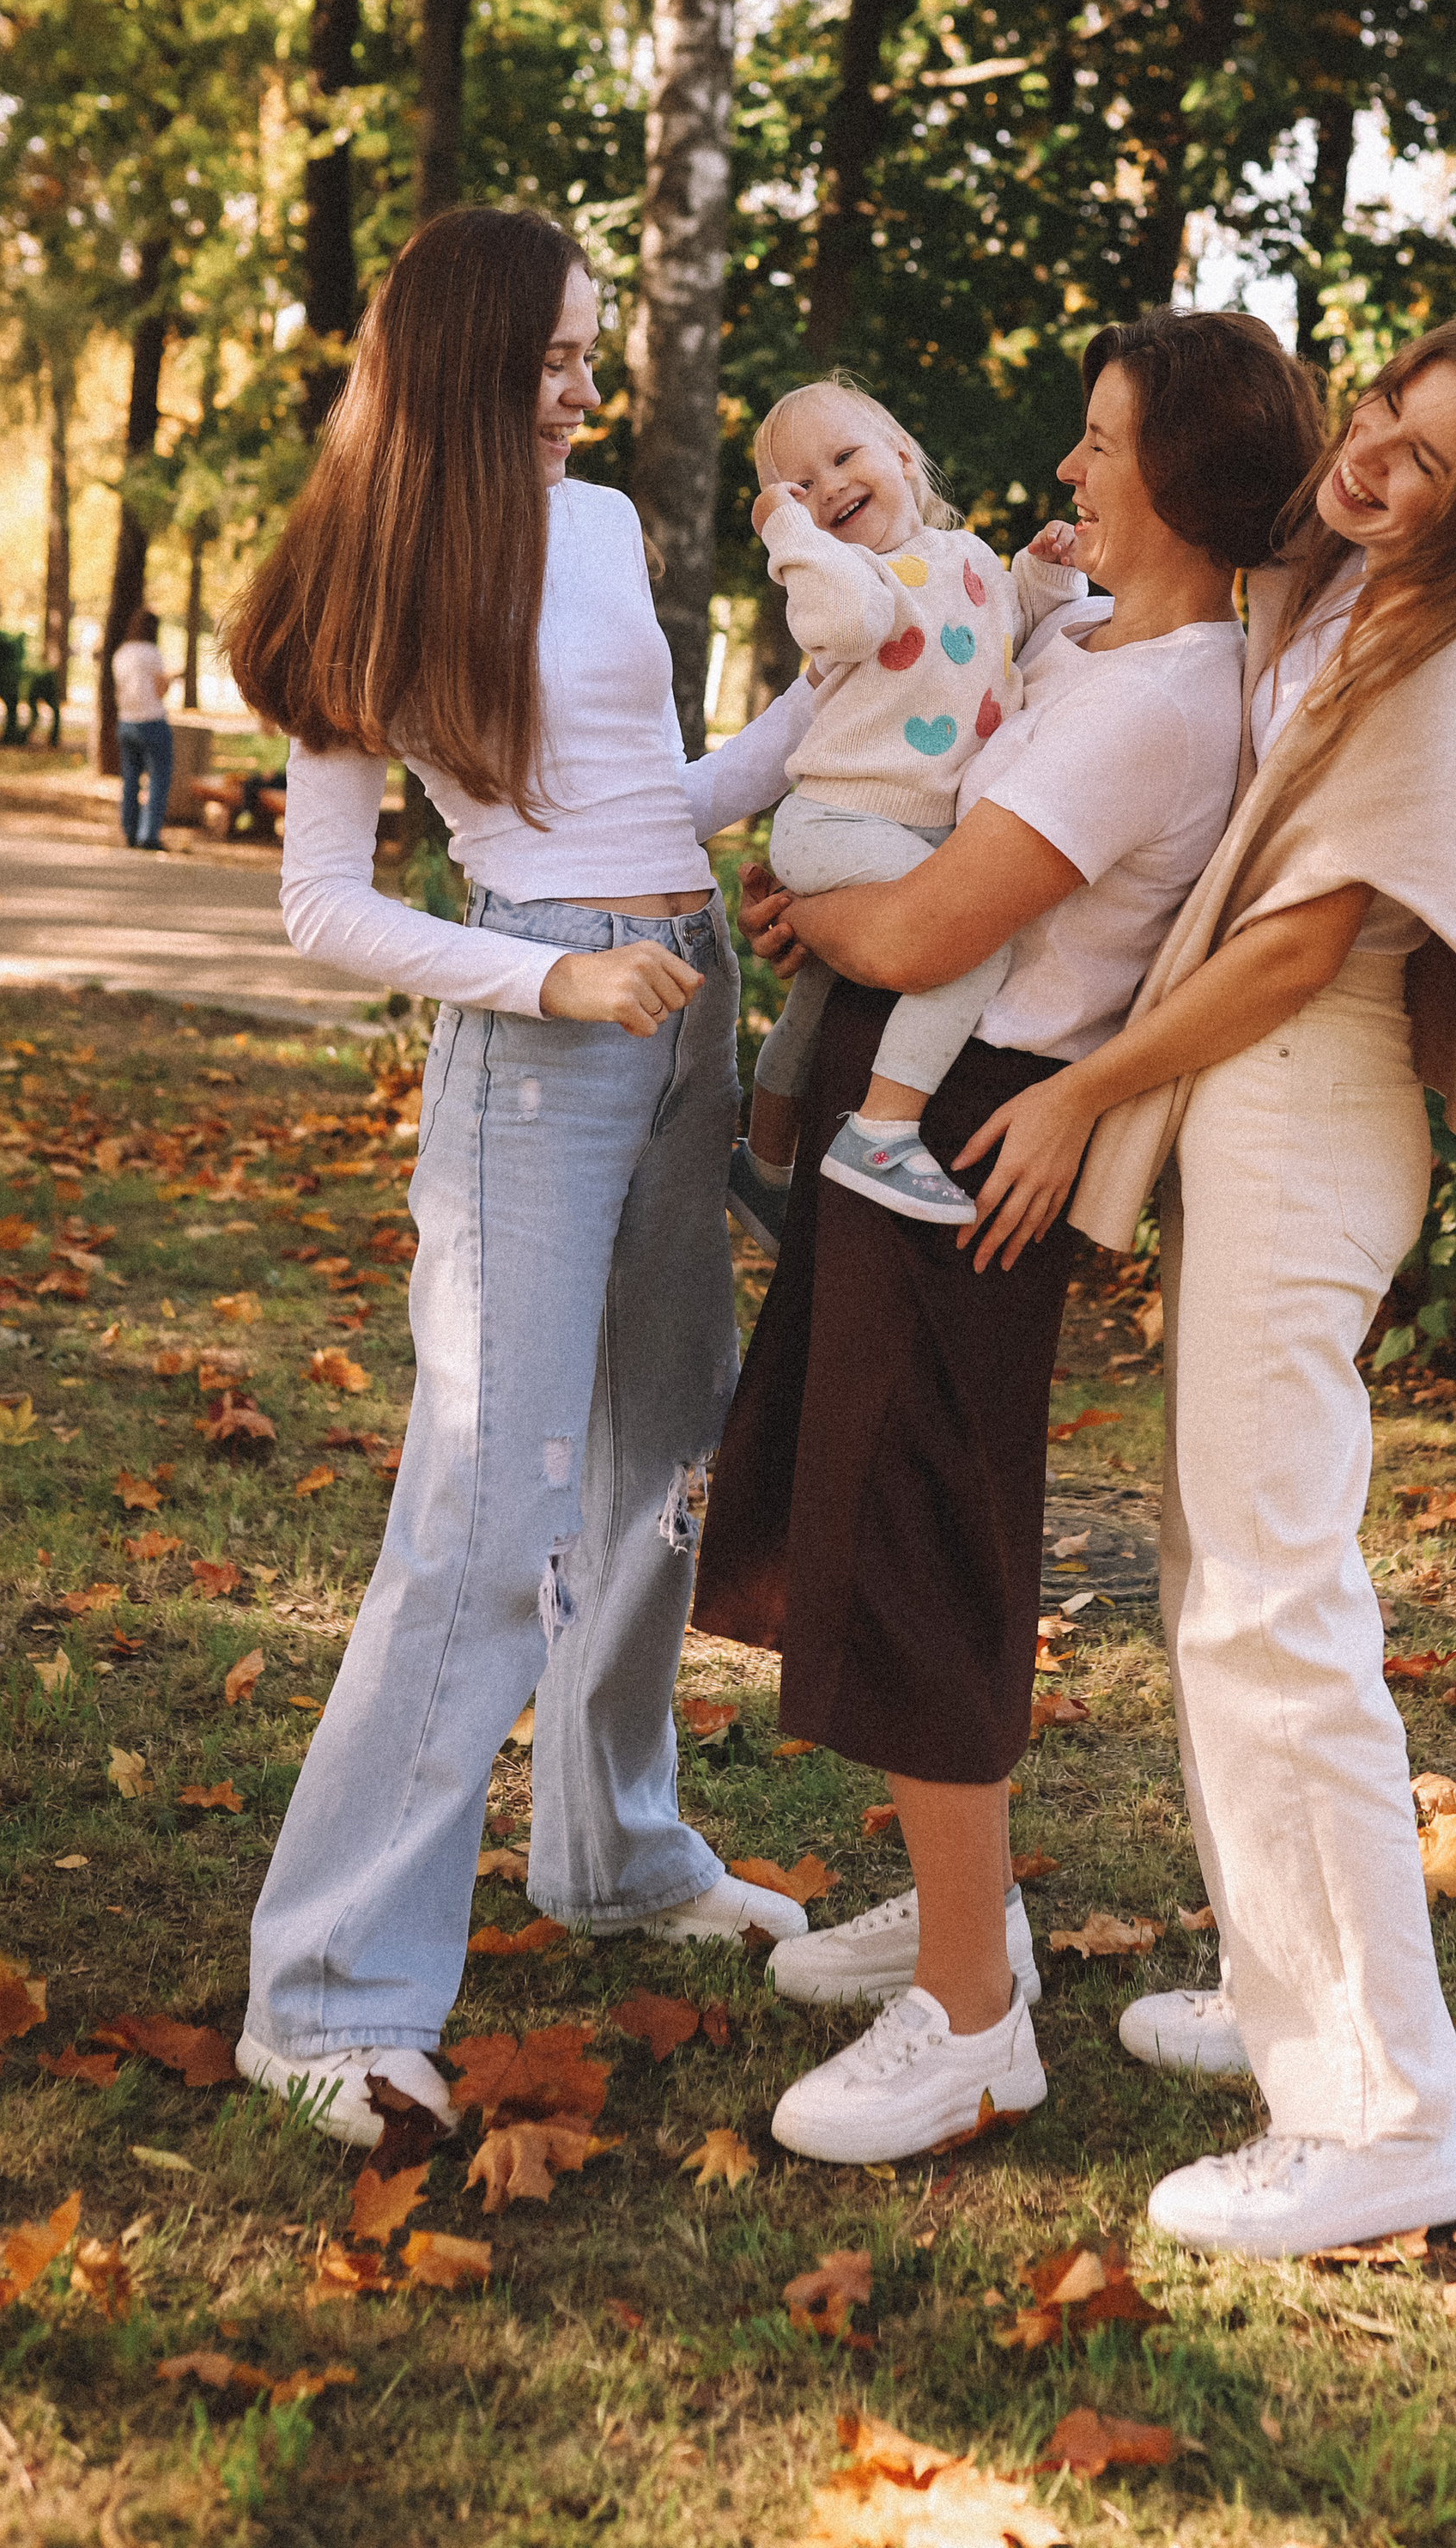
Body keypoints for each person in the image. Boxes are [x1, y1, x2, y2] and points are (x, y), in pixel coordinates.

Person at [953, 307, 1456, 2255]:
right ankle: (1283, 1993)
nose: (1372, 463)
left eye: (1428, 463)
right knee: (1212, 1571)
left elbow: (1289, 947)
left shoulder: (1445, 656)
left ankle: (1372, 2117)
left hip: (1303, 1101)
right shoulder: (1341, 600)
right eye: (1378, 420)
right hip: (1252, 1111)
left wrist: (1082, 1086)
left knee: (1273, 1599)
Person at [693, 310, 1324, 2162]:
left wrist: (839, 903)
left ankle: (971, 2018)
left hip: (972, 1138)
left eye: (1102, 445)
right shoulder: (1100, 642)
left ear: (1189, 484)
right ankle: (968, 1917)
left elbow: (922, 926)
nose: (1066, 470)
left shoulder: (1151, 699)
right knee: (859, 1495)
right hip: (938, 1106)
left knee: (912, 1535)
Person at [223, 204, 816, 2150]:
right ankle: (324, 1992)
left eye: (591, 351)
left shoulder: (601, 528)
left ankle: (618, 1849)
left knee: (662, 1454)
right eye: (558, 356)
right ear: (475, 361)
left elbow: (663, 797)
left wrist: (863, 677)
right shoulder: (366, 560)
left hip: (686, 989)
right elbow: (322, 903)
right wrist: (549, 969)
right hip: (540, 1047)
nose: (590, 386)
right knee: (489, 1511)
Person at [727, 376, 1083, 1245]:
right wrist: (787, 532)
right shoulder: (847, 583)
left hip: (906, 829)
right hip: (838, 823)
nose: (829, 486)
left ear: (900, 454)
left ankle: (761, 1167)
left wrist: (1047, 570)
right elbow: (851, 623)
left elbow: (1016, 629)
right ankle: (883, 1129)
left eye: (844, 457)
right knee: (968, 938)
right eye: (801, 486)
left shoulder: (966, 558)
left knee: (813, 1002)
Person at [112, 605, 174, 848]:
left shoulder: (122, 653)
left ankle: (129, 828)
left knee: (130, 779)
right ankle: (148, 834)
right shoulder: (151, 652)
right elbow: (160, 690)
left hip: (126, 721)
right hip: (151, 720)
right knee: (158, 777)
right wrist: (169, 681)